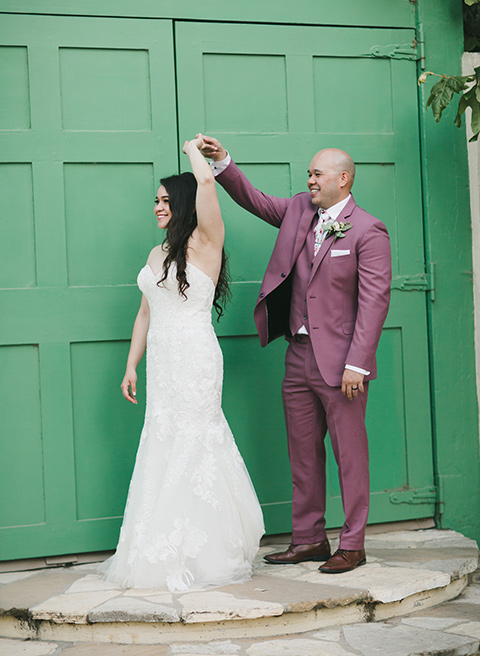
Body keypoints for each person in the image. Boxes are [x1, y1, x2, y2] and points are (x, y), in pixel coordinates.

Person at [199, 135, 391, 574]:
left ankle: (353, 543)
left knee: (350, 454)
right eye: (308, 174)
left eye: (316, 174)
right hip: (298, 355)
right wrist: (223, 162)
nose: (309, 181)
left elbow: (374, 302)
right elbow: (255, 200)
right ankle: (308, 539)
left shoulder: (368, 230)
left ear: (343, 179)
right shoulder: (299, 211)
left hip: (343, 366)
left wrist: (357, 364)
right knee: (303, 452)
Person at [100, 136, 264, 592]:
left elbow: (208, 183)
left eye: (166, 200)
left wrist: (195, 149)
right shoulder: (157, 254)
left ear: (185, 203)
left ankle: (203, 551)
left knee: (195, 441)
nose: (157, 207)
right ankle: (157, 545)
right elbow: (146, 312)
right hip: (162, 363)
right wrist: (132, 365)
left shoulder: (207, 243)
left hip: (194, 357)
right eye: (155, 200)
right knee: (163, 440)